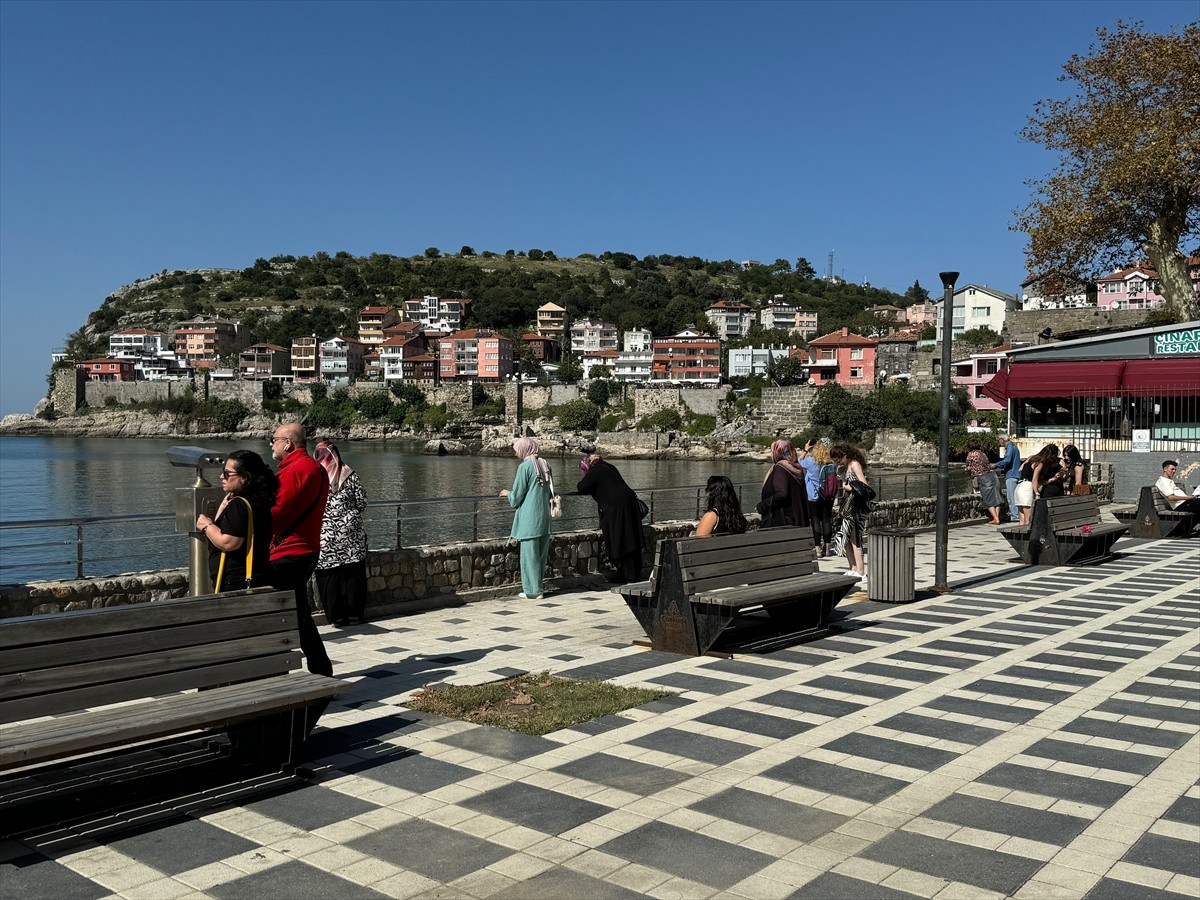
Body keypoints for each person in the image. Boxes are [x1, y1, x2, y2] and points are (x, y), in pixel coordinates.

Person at [268, 422, 332, 677]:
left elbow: (276, 513)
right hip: (307, 549)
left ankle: (315, 672)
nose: (271, 444)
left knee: (294, 616)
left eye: (273, 439)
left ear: (288, 443)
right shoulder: (316, 468)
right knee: (297, 614)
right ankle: (319, 670)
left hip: (288, 552)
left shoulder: (295, 470)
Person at [196, 450, 277, 593]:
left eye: (227, 473)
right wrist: (222, 508)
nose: (222, 476)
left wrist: (206, 525)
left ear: (244, 477)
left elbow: (229, 542)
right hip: (258, 576)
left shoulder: (239, 505)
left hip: (236, 582)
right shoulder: (260, 501)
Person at [313, 440, 369, 626]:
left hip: (325, 535)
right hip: (351, 534)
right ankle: (355, 615)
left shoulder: (315, 476)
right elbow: (361, 502)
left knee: (328, 576)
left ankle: (335, 617)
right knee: (354, 574)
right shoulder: (349, 474)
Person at [576, 449, 645, 584]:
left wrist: (587, 476)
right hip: (628, 505)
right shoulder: (608, 467)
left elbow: (581, 487)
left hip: (618, 509)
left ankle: (630, 576)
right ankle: (629, 574)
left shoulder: (596, 471)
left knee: (622, 540)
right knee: (631, 540)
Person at [500, 436, 552, 599]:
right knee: (540, 556)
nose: (516, 454)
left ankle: (533, 591)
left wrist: (508, 493)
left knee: (529, 557)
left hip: (530, 518)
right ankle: (538, 588)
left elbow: (517, 496)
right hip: (544, 517)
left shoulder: (525, 467)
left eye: (517, 450)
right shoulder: (545, 464)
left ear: (524, 449)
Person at [830, 443, 869, 581]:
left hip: (855, 505)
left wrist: (848, 487)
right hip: (847, 505)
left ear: (845, 455)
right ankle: (852, 567)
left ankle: (861, 571)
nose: (837, 462)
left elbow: (864, 485)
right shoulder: (846, 466)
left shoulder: (854, 465)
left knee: (855, 538)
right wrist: (840, 473)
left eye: (838, 459)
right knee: (845, 537)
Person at [756, 439, 811, 529]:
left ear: (778, 452)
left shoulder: (780, 468)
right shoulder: (795, 467)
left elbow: (782, 493)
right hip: (797, 519)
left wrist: (762, 506)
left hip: (782, 522)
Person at [800, 438, 836, 556]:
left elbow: (799, 461)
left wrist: (806, 450)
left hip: (814, 495)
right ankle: (827, 549)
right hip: (828, 495)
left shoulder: (811, 461)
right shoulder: (832, 462)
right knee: (826, 520)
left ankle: (818, 549)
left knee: (815, 520)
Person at [964, 440, 1002, 525]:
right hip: (992, 474)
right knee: (996, 498)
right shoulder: (983, 454)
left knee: (987, 498)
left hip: (983, 477)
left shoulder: (971, 454)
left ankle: (995, 519)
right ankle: (997, 517)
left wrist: (967, 469)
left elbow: (968, 466)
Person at [995, 434, 1022, 522]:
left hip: (1011, 475)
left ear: (1003, 439)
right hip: (1016, 474)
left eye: (999, 440)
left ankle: (1015, 516)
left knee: (1011, 497)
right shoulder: (1014, 447)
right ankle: (1016, 514)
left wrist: (996, 465)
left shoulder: (1010, 447)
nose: (999, 442)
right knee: (1015, 497)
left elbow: (1007, 460)